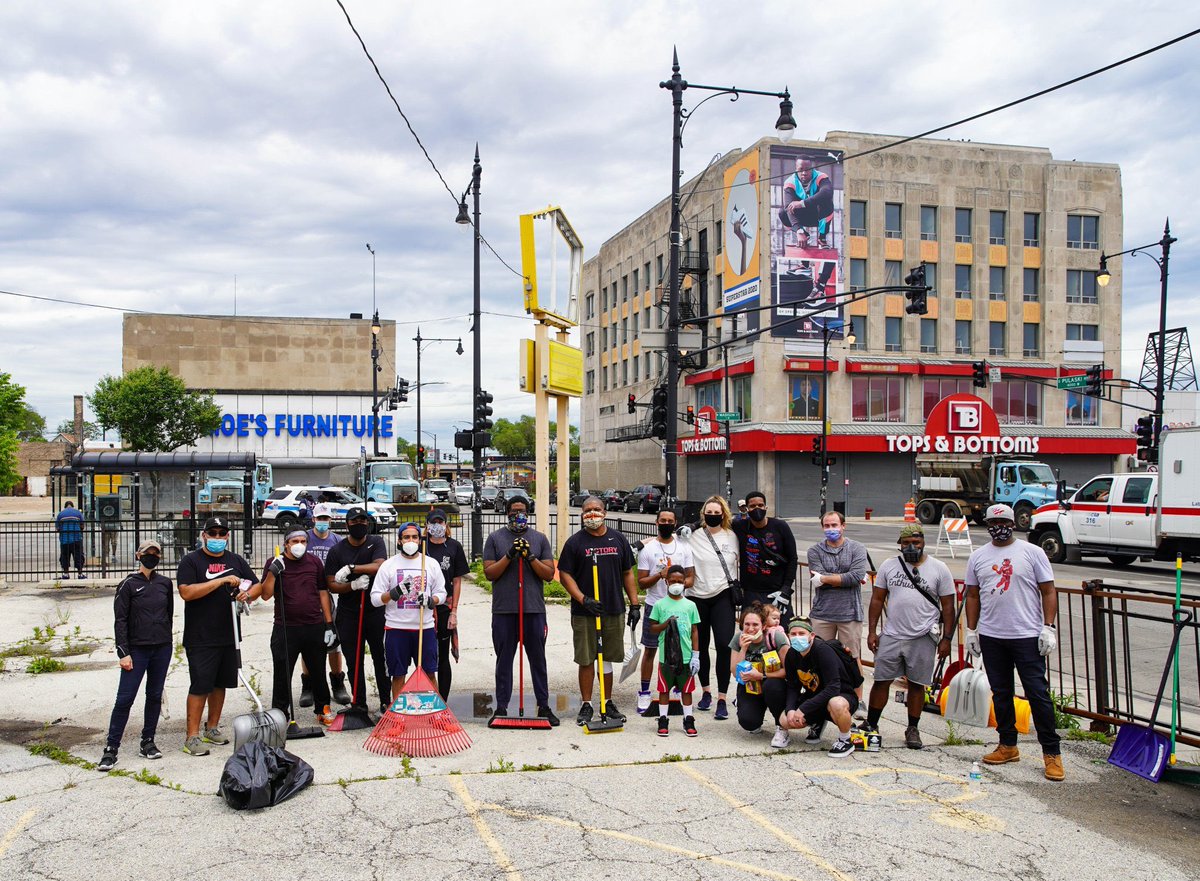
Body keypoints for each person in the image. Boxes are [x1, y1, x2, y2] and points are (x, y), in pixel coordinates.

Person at [965, 503, 1064, 781]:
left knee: (1038, 694)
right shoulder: (978, 557)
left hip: (1027, 635)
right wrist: (971, 631)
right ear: (987, 524)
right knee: (1001, 694)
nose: (999, 528)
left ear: (1013, 523)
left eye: (1005, 522)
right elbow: (972, 595)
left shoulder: (1032, 553)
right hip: (993, 635)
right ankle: (1007, 744)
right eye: (994, 523)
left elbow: (1048, 590)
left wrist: (1048, 627)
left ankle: (1051, 753)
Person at [865, 524, 955, 749]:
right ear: (900, 545)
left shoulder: (939, 568)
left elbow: (949, 606)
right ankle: (872, 723)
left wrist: (947, 639)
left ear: (923, 541)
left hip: (923, 635)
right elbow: (877, 600)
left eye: (915, 542)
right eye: (906, 543)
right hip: (892, 634)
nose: (911, 546)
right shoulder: (889, 566)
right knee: (881, 680)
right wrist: (872, 631)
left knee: (917, 684)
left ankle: (913, 728)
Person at [176, 516, 257, 756]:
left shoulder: (236, 560)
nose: (218, 538)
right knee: (201, 685)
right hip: (201, 636)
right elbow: (187, 592)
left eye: (222, 534)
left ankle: (212, 727)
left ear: (228, 536)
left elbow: (256, 585)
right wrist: (220, 581)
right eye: (213, 533)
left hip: (228, 634)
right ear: (204, 536)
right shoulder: (191, 561)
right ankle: (191, 736)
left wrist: (247, 594)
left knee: (220, 683)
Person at [557, 496, 640, 727]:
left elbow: (627, 573)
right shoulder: (575, 543)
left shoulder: (618, 539)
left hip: (612, 607)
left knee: (607, 660)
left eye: (596, 509)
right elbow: (565, 575)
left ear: (604, 512)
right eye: (588, 510)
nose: (592, 514)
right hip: (585, 611)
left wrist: (634, 604)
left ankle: (607, 700)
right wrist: (583, 599)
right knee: (586, 658)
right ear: (582, 514)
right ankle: (587, 704)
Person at [97, 540, 173, 771]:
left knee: (154, 695)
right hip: (136, 650)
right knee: (125, 699)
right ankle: (111, 749)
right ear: (138, 555)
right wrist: (124, 652)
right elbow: (120, 620)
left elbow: (169, 613)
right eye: (147, 553)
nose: (151, 556)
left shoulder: (165, 583)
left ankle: (148, 741)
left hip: (161, 647)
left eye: (155, 553)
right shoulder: (128, 584)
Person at [482, 495, 559, 725]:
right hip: (505, 610)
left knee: (538, 659)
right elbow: (489, 573)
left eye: (523, 511)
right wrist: (509, 555)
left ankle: (543, 706)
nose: (519, 515)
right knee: (504, 660)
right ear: (507, 514)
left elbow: (548, 575)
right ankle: (502, 707)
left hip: (533, 609)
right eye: (514, 511)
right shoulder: (495, 539)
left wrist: (530, 556)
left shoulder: (539, 539)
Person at [252, 529, 337, 726]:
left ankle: (323, 708)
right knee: (282, 672)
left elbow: (322, 592)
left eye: (303, 541)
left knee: (318, 670)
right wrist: (274, 572)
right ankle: (280, 713)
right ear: (286, 544)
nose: (299, 544)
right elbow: (265, 595)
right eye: (295, 541)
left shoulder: (314, 562)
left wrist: (329, 624)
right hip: (285, 627)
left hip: (314, 625)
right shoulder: (274, 562)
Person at [324, 507, 391, 714]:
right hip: (349, 613)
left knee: (381, 657)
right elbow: (331, 584)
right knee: (354, 660)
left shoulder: (376, 542)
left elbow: (380, 565)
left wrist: (353, 569)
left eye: (363, 521)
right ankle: (359, 702)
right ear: (347, 525)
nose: (359, 524)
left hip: (375, 612)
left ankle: (385, 701)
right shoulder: (337, 551)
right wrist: (351, 586)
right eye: (354, 522)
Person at [371, 524, 446, 698]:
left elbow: (442, 593)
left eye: (414, 537)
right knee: (398, 675)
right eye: (406, 537)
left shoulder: (430, 564)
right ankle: (399, 716)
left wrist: (431, 600)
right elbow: (374, 599)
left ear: (420, 541)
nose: (410, 541)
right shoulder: (389, 566)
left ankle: (432, 713)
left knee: (429, 673)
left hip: (424, 627)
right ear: (399, 540)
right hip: (396, 628)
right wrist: (393, 593)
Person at [682, 495, 739, 721]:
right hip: (697, 596)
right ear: (703, 513)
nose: (713, 516)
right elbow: (665, 538)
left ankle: (722, 697)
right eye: (709, 512)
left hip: (723, 595)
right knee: (700, 646)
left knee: (725, 645)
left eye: (717, 513)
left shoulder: (732, 536)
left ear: (723, 514)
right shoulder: (692, 535)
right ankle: (705, 692)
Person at [807, 510, 870, 714]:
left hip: (849, 613)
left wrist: (825, 579)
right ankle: (817, 700)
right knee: (816, 659)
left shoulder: (857, 548)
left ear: (843, 526)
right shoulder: (814, 551)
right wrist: (844, 578)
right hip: (822, 613)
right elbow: (819, 576)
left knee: (853, 658)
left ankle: (858, 699)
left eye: (835, 525)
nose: (831, 529)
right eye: (827, 526)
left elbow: (856, 576)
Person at [635, 508, 694, 717]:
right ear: (656, 522)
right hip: (655, 605)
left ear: (675, 522)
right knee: (650, 650)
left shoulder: (684, 547)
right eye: (663, 520)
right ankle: (644, 690)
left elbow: (690, 578)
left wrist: (677, 584)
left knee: (677, 649)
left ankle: (677, 688)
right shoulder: (648, 550)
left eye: (670, 520)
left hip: (679, 607)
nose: (666, 523)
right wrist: (660, 575)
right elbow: (641, 583)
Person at [780, 617, 861, 757]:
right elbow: (793, 686)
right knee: (785, 720)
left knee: (835, 703)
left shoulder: (823, 650)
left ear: (811, 635)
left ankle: (845, 740)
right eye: (793, 634)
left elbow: (833, 688)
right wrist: (791, 710)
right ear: (788, 636)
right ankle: (818, 721)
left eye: (801, 633)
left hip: (841, 696)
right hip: (816, 697)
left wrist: (803, 709)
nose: (797, 637)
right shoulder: (792, 654)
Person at [299, 503, 350, 707]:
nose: (322, 522)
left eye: (325, 519)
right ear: (313, 519)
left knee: (333, 641)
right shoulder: (305, 539)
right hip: (309, 594)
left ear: (331, 520)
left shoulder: (336, 540)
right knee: (308, 641)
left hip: (331, 594)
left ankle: (337, 682)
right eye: (319, 518)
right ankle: (308, 684)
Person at [648, 566, 701, 737]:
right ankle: (663, 719)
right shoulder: (659, 605)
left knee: (686, 690)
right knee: (664, 689)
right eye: (673, 581)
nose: (676, 584)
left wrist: (696, 655)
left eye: (680, 581)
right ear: (666, 582)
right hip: (666, 657)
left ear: (685, 582)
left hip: (686, 657)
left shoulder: (690, 605)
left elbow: (694, 631)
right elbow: (653, 628)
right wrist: (666, 624)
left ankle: (688, 719)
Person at [423, 508, 469, 698]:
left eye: (440, 522)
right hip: (423, 607)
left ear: (446, 524)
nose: (437, 526)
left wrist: (454, 612)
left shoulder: (454, 547)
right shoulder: (421, 546)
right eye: (433, 522)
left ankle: (443, 700)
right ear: (427, 525)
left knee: (442, 656)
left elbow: (457, 581)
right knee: (424, 654)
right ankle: (425, 694)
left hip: (444, 608)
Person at [729, 603, 789, 743]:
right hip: (751, 685)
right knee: (749, 723)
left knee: (771, 685)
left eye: (755, 624)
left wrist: (761, 675)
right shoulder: (738, 639)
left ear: (763, 626)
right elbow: (734, 672)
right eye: (747, 624)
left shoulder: (776, 638)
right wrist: (743, 649)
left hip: (774, 683)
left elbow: (788, 671)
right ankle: (753, 709)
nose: (750, 629)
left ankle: (782, 728)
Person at [731, 491, 798, 615]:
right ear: (746, 509)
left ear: (766, 507)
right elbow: (718, 521)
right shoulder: (739, 526)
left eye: (760, 505)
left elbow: (792, 559)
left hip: (777, 592)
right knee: (752, 631)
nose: (757, 508)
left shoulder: (780, 526)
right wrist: (692, 526)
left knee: (780, 631)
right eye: (752, 506)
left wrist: (786, 589)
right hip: (751, 593)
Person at [778, 157, 834, 248]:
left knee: (826, 200)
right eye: (801, 170)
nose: (804, 173)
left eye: (807, 169)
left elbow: (827, 192)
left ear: (812, 169)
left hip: (819, 215)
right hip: (802, 216)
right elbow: (788, 206)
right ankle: (804, 234)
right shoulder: (790, 182)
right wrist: (798, 231)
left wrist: (802, 203)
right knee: (783, 212)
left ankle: (822, 238)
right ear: (796, 170)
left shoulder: (821, 177)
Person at [55, 500, 85, 579]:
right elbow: (82, 526)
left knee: (65, 557)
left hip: (64, 540)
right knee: (78, 556)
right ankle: (80, 574)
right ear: (72, 506)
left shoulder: (60, 514)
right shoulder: (78, 513)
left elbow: (57, 528)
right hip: (77, 538)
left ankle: (66, 574)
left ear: (65, 506)